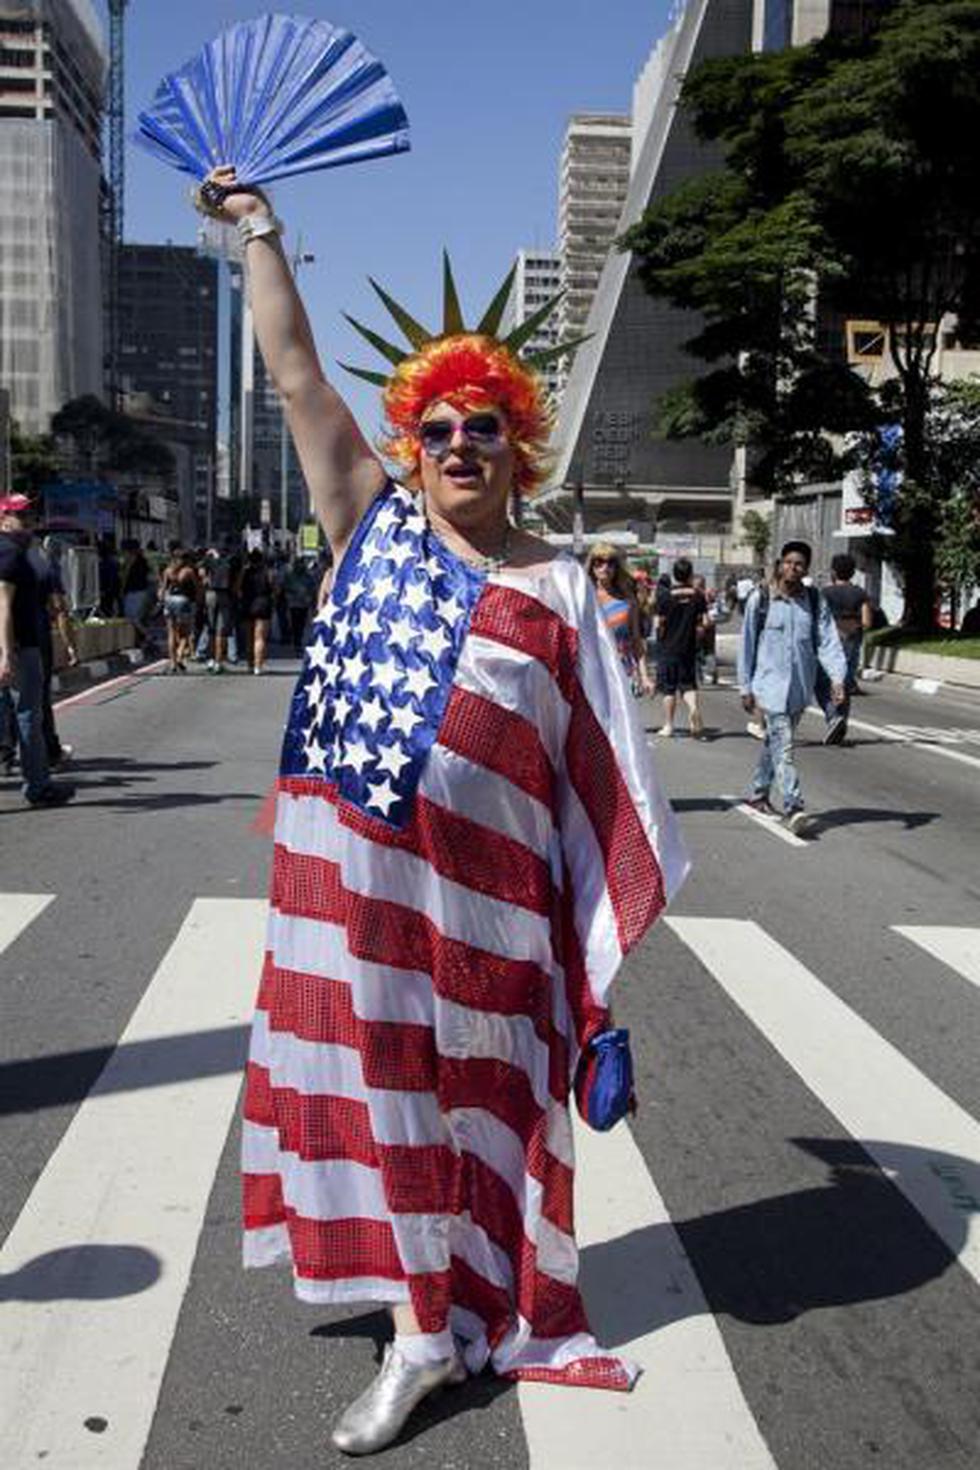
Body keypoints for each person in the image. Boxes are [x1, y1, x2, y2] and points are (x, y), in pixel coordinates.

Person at [195, 165, 689, 1456]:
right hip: (360, 886)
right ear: (408, 442)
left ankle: (479, 1302)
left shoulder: (566, 584)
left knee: (489, 1111)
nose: (461, 446)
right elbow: (300, 377)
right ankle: (420, 1335)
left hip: (495, 904)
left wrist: (593, 968)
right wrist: (259, 236)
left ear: (518, 444)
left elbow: (598, 774)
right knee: (389, 1101)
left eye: (485, 427)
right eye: (439, 429)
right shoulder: (371, 524)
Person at [738, 540, 846, 835]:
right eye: (788, 562)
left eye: (799, 564)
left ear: (806, 569)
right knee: (784, 747)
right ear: (780, 563)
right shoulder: (760, 600)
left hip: (800, 687)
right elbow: (746, 646)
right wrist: (745, 687)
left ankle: (759, 794)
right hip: (769, 688)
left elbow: (827, 641)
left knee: (773, 742)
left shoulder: (813, 600)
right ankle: (794, 806)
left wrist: (837, 678)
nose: (792, 568)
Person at [0, 494, 72, 806]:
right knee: (29, 715)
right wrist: (6, 653)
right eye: (19, 515)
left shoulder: (22, 551)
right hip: (19, 646)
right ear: (3, 518)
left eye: (30, 514)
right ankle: (39, 786)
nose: (27, 520)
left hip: (19, 645)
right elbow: (3, 606)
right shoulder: (10, 553)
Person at [29, 534, 79, 767]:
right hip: (33, 640)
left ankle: (6, 754)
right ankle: (49, 752)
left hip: (13, 640)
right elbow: (59, 608)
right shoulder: (44, 567)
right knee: (38, 699)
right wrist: (70, 646)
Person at [815, 552, 873, 743]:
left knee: (823, 682)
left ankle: (833, 717)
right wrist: (852, 629)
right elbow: (867, 621)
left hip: (830, 641)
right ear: (853, 572)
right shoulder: (860, 593)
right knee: (845, 683)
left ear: (833, 571)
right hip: (852, 640)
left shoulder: (825, 593)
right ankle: (842, 722)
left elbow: (819, 619)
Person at [585, 542, 654, 695]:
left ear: (616, 568)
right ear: (592, 566)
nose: (605, 567)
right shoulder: (583, 597)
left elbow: (637, 641)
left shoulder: (628, 601)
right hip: (592, 671)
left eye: (610, 563)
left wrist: (645, 677)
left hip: (622, 671)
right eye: (599, 562)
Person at [654, 558, 708, 737]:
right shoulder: (698, 596)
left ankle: (668, 725)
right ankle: (693, 709)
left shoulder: (665, 596)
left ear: (675, 575)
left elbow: (659, 623)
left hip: (669, 647)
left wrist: (661, 639)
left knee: (669, 689)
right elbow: (703, 623)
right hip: (688, 647)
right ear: (690, 574)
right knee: (688, 685)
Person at [160, 548, 199, 673]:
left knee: (171, 633)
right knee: (185, 633)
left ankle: (172, 662)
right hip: (183, 601)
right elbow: (197, 587)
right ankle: (179, 656)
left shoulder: (168, 571)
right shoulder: (188, 571)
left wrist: (162, 600)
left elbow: (163, 589)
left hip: (169, 600)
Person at [239, 548, 274, 674]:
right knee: (260, 638)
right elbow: (275, 588)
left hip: (248, 603)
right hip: (263, 603)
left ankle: (249, 664)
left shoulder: (245, 572)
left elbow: (238, 588)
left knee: (249, 637)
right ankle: (258, 666)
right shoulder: (267, 572)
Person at [203, 543, 237, 673]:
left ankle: (210, 659)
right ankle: (218, 661)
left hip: (211, 594)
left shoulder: (210, 560)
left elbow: (202, 574)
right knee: (221, 630)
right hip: (225, 595)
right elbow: (237, 580)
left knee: (210, 628)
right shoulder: (233, 560)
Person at [120, 540, 153, 649]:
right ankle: (138, 639)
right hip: (140, 591)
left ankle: (148, 636)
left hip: (135, 592)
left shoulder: (133, 562)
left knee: (132, 618)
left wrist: (122, 589)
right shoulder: (143, 561)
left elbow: (125, 577)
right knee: (135, 617)